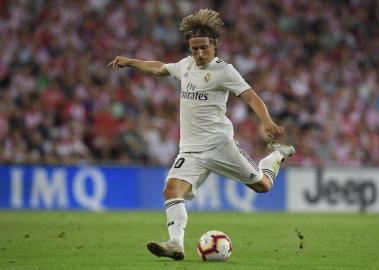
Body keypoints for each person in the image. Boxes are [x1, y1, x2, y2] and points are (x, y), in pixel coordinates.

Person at [107, 9, 295, 261]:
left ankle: (276, 155)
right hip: (190, 150)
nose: (199, 54)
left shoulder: (225, 71)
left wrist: (267, 121)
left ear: (215, 45)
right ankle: (175, 244)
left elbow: (251, 96)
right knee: (171, 189)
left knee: (263, 186)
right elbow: (159, 68)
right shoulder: (185, 66)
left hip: (220, 145)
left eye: (204, 48)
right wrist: (130, 61)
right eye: (194, 49)